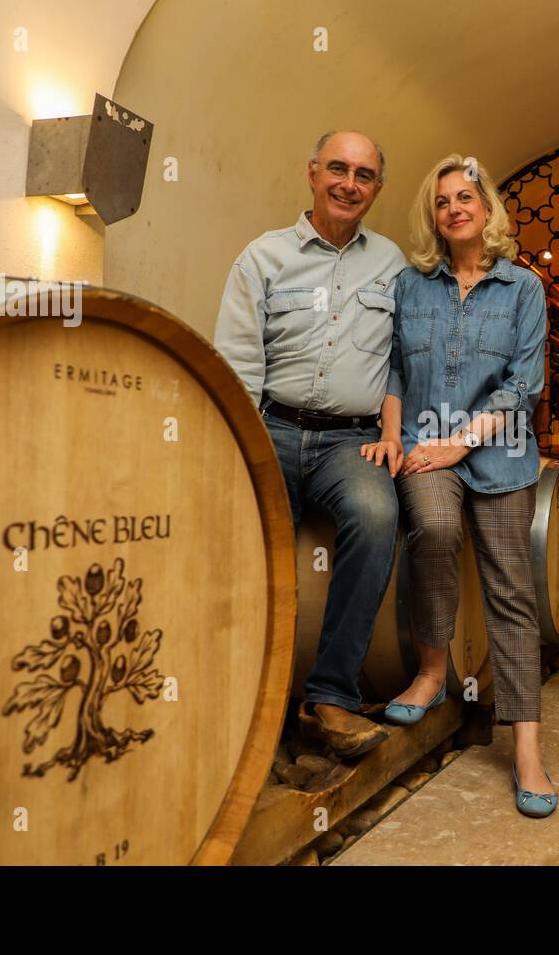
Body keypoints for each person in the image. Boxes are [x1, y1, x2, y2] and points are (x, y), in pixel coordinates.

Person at [363, 154, 556, 817]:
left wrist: (459, 441)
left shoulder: (523, 289)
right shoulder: (409, 287)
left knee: (511, 588)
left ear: (486, 207)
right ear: (434, 217)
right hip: (424, 447)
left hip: (498, 452)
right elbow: (392, 371)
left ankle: (526, 746)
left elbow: (523, 387)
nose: (454, 208)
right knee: (436, 531)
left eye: (465, 196)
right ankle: (434, 673)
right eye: (442, 201)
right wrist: (396, 434)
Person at [215, 130, 407, 759]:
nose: (349, 184)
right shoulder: (262, 258)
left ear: (377, 188)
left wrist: (392, 431)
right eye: (338, 169)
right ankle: (243, 698)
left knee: (378, 514)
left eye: (364, 175)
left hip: (349, 442)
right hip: (270, 426)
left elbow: (405, 360)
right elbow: (238, 362)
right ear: (312, 173)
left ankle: (330, 698)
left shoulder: (395, 266)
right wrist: (240, 442)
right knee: (249, 542)